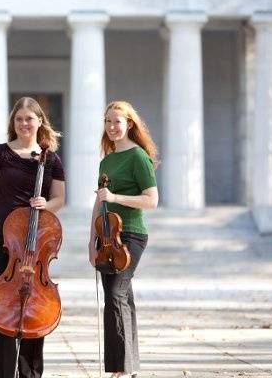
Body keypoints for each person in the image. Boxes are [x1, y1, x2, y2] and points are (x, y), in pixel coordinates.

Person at [0, 96, 66, 378]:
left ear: (40, 122)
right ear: (13, 123)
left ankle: (29, 373)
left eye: (29, 118)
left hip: (34, 243)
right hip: (4, 240)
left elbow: (59, 199)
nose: (24, 123)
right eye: (19, 119)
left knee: (34, 307)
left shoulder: (50, 159)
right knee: (2, 308)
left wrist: (45, 205)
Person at [88, 100, 159, 378]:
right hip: (106, 235)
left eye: (117, 121)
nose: (112, 127)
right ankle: (129, 366)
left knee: (115, 295)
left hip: (131, 233)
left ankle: (118, 368)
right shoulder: (106, 160)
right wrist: (90, 240)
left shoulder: (138, 156)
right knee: (122, 297)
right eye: (108, 121)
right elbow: (98, 204)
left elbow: (152, 200)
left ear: (129, 124)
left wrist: (116, 197)